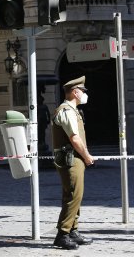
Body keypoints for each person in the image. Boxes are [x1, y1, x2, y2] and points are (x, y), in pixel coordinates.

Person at [52, 76, 95, 250]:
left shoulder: (72, 110)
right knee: (73, 196)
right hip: (71, 158)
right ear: (75, 92)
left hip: (72, 158)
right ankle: (62, 234)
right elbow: (74, 139)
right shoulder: (67, 111)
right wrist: (87, 156)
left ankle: (72, 230)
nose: (84, 94)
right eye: (82, 91)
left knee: (74, 195)